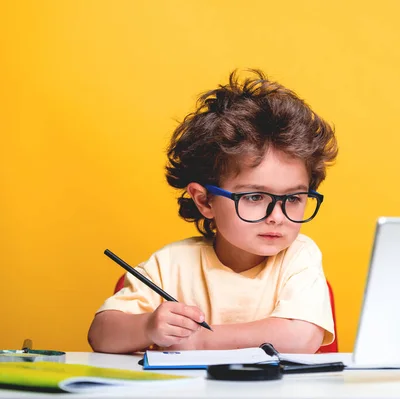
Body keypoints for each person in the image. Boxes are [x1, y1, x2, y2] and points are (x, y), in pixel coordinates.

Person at [87, 69, 339, 354]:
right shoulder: (170, 265)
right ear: (205, 201)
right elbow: (101, 336)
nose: (277, 216)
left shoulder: (299, 257)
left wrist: (200, 340)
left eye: (293, 198)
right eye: (255, 196)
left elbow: (300, 337)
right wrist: (148, 326)